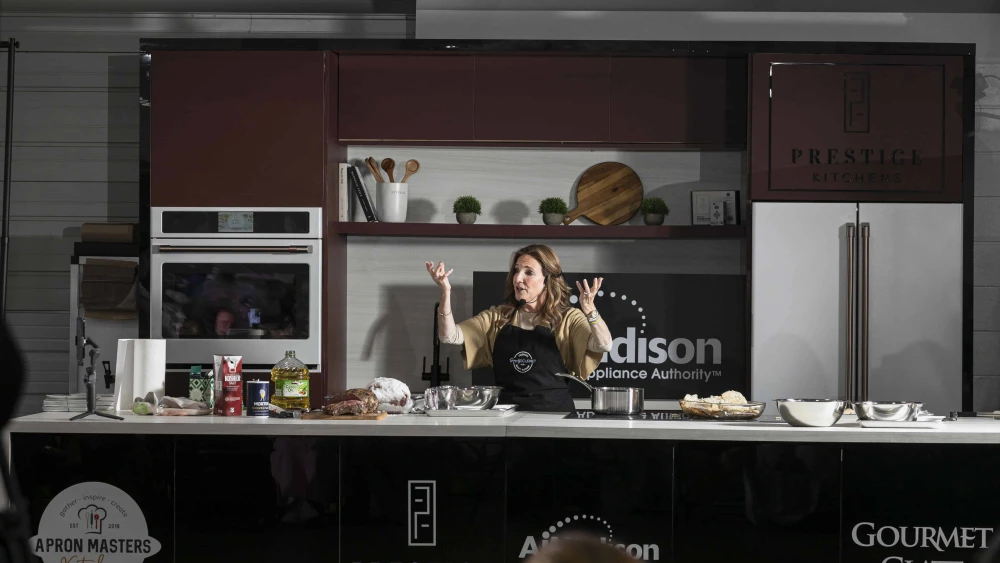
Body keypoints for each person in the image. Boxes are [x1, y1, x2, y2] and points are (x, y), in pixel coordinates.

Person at [425, 244, 612, 412]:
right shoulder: (498, 316)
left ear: (548, 280)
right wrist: (445, 292)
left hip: (554, 415)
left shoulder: (568, 318)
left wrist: (590, 311)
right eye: (516, 271)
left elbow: (604, 345)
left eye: (528, 272)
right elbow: (449, 336)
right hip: (507, 414)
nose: (518, 278)